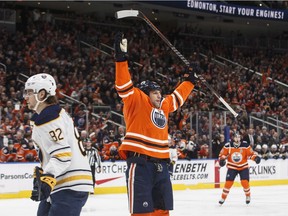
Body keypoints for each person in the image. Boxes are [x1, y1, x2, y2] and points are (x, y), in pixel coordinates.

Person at [114, 32, 198, 216]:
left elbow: (177, 97)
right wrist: (121, 60)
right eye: (155, 92)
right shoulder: (137, 99)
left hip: (162, 165)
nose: (159, 95)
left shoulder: (164, 106)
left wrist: (190, 81)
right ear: (145, 93)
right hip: (141, 162)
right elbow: (123, 86)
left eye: (160, 92)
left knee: (162, 211)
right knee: (142, 212)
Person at [23, 73, 94, 216]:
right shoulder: (51, 115)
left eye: (29, 92)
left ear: (41, 94)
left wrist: (47, 177)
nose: (26, 97)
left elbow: (62, 154)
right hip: (63, 184)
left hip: (69, 184)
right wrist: (44, 172)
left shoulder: (49, 117)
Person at [218, 131, 261, 205]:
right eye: (235, 137)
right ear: (233, 138)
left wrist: (255, 158)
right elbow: (222, 155)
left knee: (245, 182)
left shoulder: (245, 145)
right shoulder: (228, 145)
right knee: (228, 183)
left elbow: (251, 154)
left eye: (238, 137)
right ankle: (223, 198)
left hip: (243, 166)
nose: (237, 138)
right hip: (232, 167)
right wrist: (222, 160)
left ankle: (248, 196)